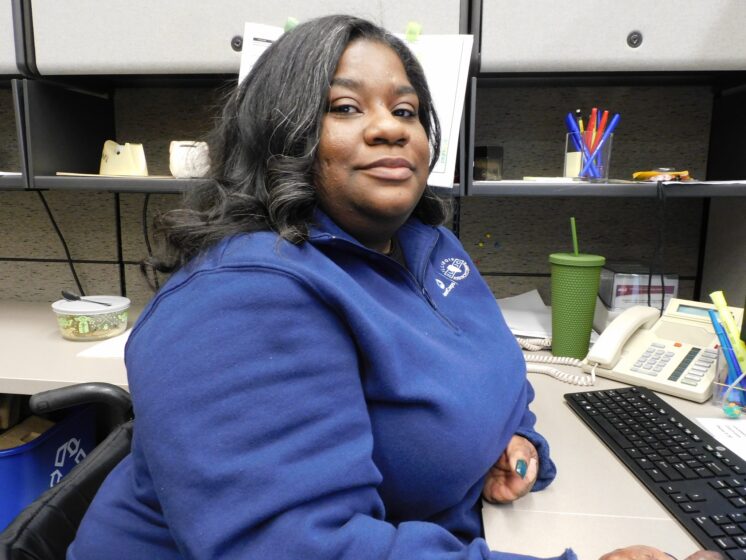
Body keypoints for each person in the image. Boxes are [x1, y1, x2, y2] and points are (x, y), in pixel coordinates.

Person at [67, 15, 716, 560]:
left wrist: (511, 440)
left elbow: (499, 378)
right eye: (345, 107)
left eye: (406, 109)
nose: (390, 127)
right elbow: (303, 549)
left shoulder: (425, 242)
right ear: (278, 135)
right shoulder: (242, 298)